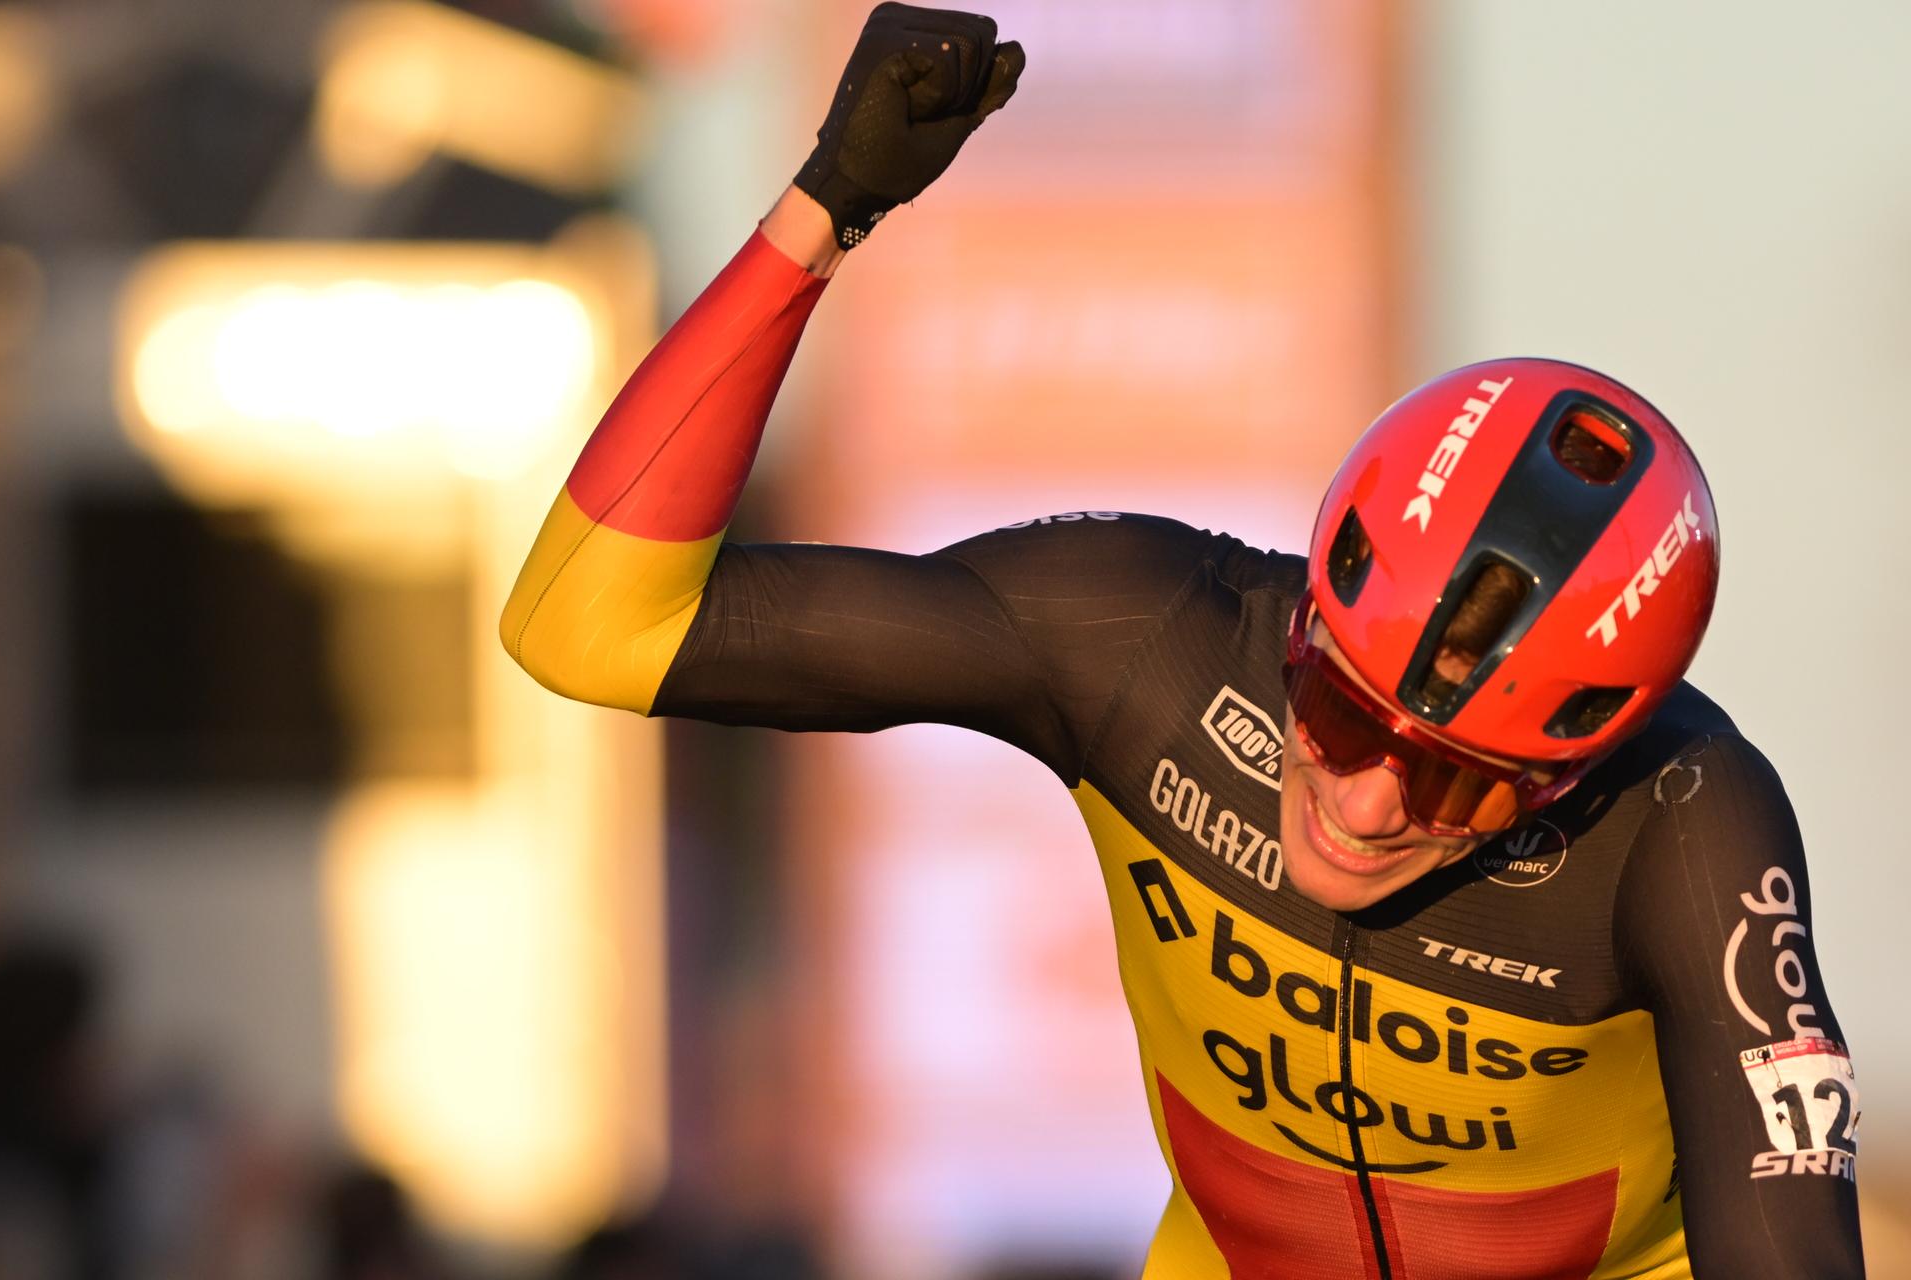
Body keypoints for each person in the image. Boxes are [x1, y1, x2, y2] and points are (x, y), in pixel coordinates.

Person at [501, 6, 1865, 1276]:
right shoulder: (1141, 639)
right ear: (1304, 632)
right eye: (1338, 716)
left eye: (1457, 780)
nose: (1369, 802)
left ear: (1567, 777)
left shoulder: (1684, 822)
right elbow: (588, 627)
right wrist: (823, 213)